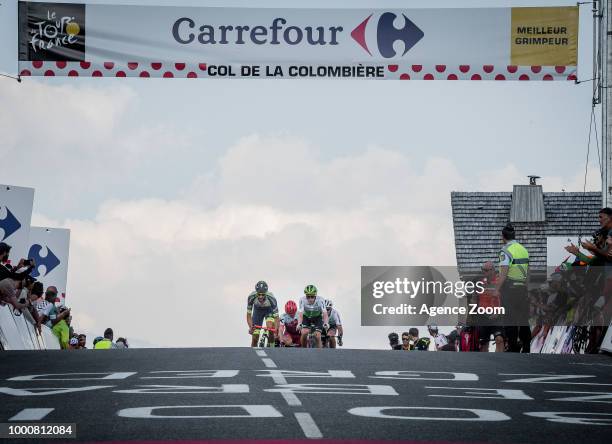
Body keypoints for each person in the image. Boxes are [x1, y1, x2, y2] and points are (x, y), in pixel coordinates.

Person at [495, 223, 531, 353]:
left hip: (509, 289)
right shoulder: (523, 250)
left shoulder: (505, 251)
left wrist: (496, 289)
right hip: (522, 288)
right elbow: (528, 272)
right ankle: (526, 345)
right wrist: (526, 288)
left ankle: (513, 346)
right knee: (523, 318)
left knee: (509, 318)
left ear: (503, 237)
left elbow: (504, 273)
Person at [477, 261, 505, 352]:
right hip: (483, 316)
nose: (484, 272)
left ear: (493, 270)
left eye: (486, 270)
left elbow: (504, 300)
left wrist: (498, 313)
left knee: (499, 339)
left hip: (496, 316)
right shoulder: (480, 283)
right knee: (483, 343)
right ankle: (485, 365)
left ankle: (499, 362)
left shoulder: (499, 282)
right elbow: (476, 300)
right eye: (483, 270)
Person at [246, 281, 279, 347]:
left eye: (263, 295)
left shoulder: (271, 298)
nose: (261, 297)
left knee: (270, 327)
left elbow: (276, 317)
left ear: (266, 293)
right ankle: (253, 354)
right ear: (256, 293)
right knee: (255, 337)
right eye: (259, 294)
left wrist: (276, 329)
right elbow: (248, 315)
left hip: (268, 310)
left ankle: (272, 347)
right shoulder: (251, 297)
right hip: (257, 311)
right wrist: (251, 327)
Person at [297, 284, 329, 348]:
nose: (310, 299)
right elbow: (300, 314)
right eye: (308, 297)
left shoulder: (321, 300)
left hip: (317, 318)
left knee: (317, 336)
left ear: (315, 296)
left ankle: (319, 353)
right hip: (306, 317)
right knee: (304, 333)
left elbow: (325, 313)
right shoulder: (302, 300)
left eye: (312, 296)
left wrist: (326, 323)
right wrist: (299, 323)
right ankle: (304, 350)